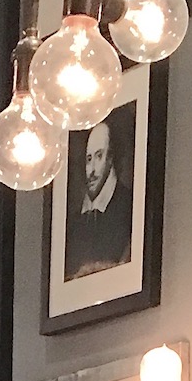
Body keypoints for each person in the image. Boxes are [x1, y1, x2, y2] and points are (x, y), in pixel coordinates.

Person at [63, 117, 133, 279]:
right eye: (89, 159)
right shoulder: (74, 222)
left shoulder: (129, 207)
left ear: (110, 159)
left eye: (99, 156)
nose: (92, 170)